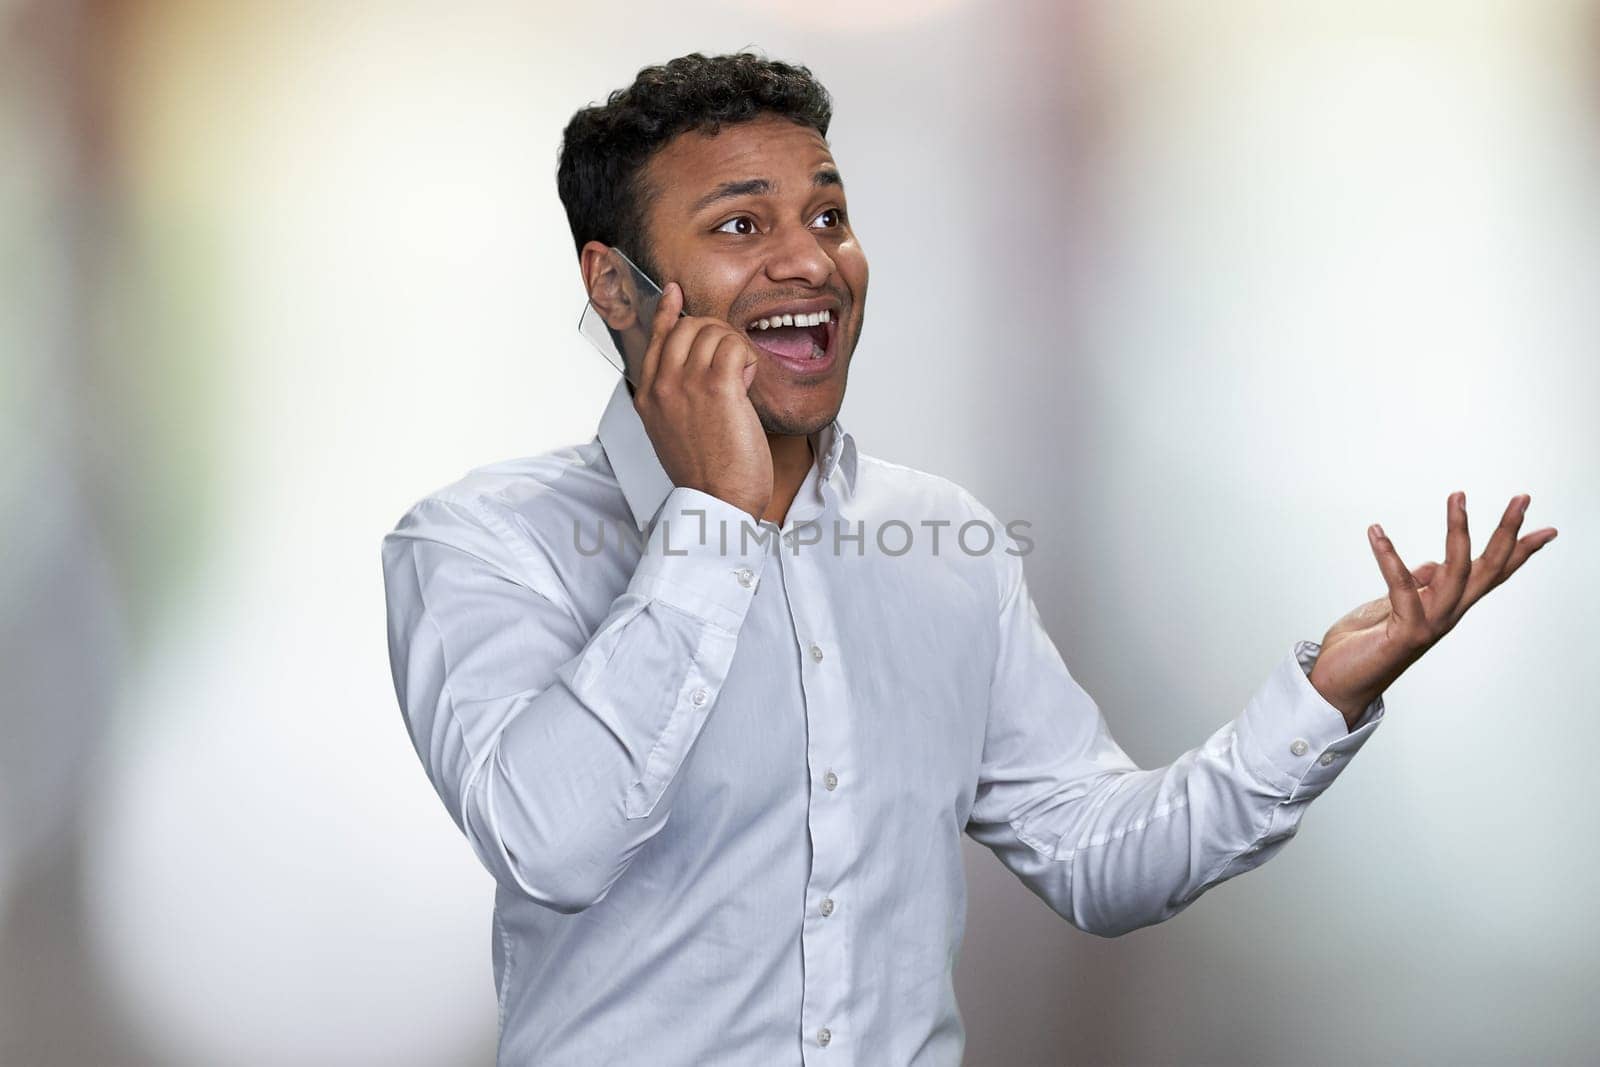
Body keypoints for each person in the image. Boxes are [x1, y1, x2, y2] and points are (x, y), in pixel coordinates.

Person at [380, 51, 1556, 1066]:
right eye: (742, 225)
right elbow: (553, 842)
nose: (810, 262)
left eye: (828, 217)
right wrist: (716, 518)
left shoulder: (945, 541)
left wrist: (1322, 697)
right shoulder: (482, 543)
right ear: (616, 287)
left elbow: (1097, 856)